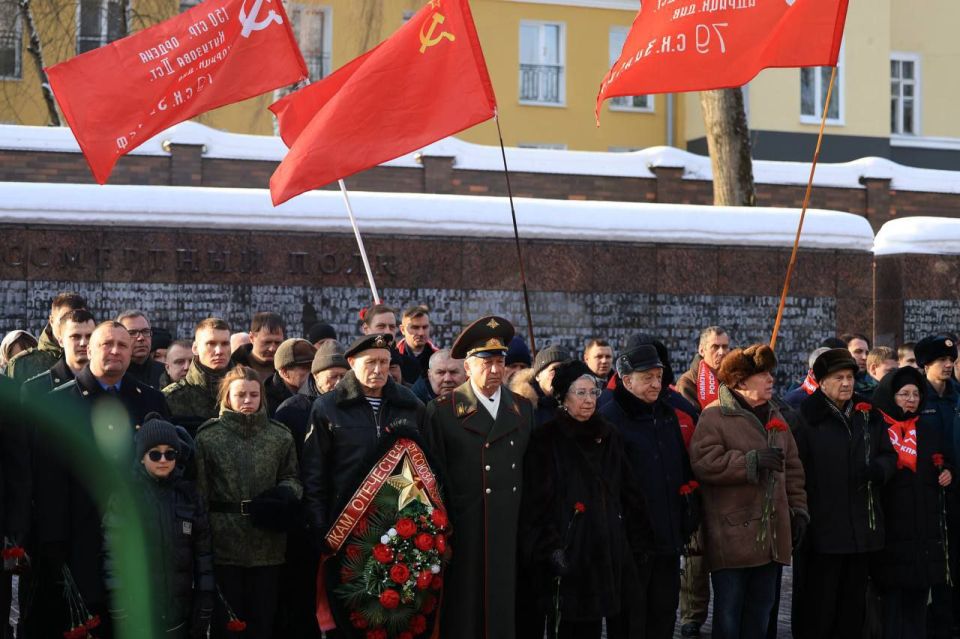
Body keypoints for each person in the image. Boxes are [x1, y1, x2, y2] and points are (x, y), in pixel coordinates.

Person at [26, 321, 171, 638]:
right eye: (107, 344)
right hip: (79, 539)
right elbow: (47, 482)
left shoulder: (151, 401)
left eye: (123, 345)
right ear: (89, 349)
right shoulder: (58, 403)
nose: (116, 351)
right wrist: (53, 545)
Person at [299, 333, 425, 635]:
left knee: (396, 611)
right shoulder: (327, 408)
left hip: (399, 526)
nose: (379, 369)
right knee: (351, 612)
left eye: (385, 362)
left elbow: (424, 468)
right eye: (371, 362)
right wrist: (318, 526)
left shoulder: (411, 406)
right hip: (347, 526)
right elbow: (314, 472)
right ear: (352, 363)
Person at [521, 360, 653, 638]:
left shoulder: (609, 435)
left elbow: (629, 491)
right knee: (568, 626)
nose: (589, 400)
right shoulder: (545, 439)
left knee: (603, 623)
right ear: (563, 398)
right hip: (568, 553)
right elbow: (536, 504)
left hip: (606, 549)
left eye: (593, 393)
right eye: (580, 393)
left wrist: (638, 541)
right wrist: (549, 548)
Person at [425, 316, 535, 639]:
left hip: (508, 529)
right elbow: (433, 479)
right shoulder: (444, 411)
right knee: (464, 614)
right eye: (485, 362)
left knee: (503, 611)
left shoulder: (521, 409)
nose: (495, 370)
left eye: (500, 361)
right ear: (468, 366)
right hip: (465, 531)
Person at [689, 344, 808, 639]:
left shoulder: (776, 415)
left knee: (761, 613)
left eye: (771, 374)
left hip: (771, 537)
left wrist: (798, 509)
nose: (771, 380)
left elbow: (792, 469)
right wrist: (750, 462)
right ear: (741, 381)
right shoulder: (714, 416)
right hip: (732, 536)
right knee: (729, 617)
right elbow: (705, 462)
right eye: (762, 375)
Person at [792, 348, 897, 639]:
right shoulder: (805, 418)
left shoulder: (868, 414)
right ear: (822, 382)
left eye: (850, 377)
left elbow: (889, 456)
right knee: (820, 607)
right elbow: (796, 470)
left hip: (862, 530)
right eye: (838, 377)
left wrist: (879, 469)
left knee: (853, 608)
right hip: (823, 531)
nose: (847, 383)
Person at [194, 365, 302, 639]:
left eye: (253, 395)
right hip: (223, 542)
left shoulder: (279, 435)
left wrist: (282, 496)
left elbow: (293, 477)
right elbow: (199, 492)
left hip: (268, 543)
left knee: (263, 621)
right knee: (227, 623)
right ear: (227, 396)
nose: (247, 401)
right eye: (240, 394)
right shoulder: (209, 436)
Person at [600, 344, 698, 638]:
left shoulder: (667, 415)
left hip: (667, 540)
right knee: (630, 621)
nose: (656, 384)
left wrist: (687, 512)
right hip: (631, 545)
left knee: (663, 616)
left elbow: (681, 471)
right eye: (648, 378)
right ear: (627, 380)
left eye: (659, 376)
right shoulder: (610, 420)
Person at [103, 415, 214, 638]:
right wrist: (119, 607)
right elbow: (113, 557)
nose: (163, 459)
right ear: (142, 458)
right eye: (155, 453)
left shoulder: (189, 497)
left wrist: (205, 602)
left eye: (170, 453)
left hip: (180, 611)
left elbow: (204, 555)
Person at [871, 366, 953, 639]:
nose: (911, 399)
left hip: (923, 533)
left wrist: (947, 471)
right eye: (904, 394)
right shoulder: (877, 428)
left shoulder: (927, 430)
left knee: (917, 607)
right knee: (892, 609)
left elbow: (945, 458)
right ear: (890, 396)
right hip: (891, 532)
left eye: (916, 394)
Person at [913, 335, 960, 639]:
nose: (947, 365)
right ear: (925, 365)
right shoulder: (919, 399)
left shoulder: (957, 396)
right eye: (941, 361)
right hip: (929, 490)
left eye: (951, 360)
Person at [274, 341, 348, 454]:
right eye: (332, 377)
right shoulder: (291, 410)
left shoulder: (361, 405)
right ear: (316, 376)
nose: (339, 382)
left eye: (343, 376)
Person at [164, 318, 233, 436]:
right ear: (195, 348)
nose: (219, 351)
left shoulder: (247, 392)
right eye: (211, 344)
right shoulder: (171, 397)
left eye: (225, 344)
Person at [6, 291, 86, 383]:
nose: (71, 325)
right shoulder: (22, 365)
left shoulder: (97, 360)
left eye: (80, 319)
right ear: (51, 320)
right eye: (64, 319)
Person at [20, 309, 95, 396]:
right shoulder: (34, 389)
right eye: (75, 336)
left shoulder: (110, 383)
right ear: (61, 341)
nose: (83, 343)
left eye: (89, 336)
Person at [510, 345, 571, 426]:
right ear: (538, 376)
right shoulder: (520, 407)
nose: (560, 375)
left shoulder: (577, 405)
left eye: (566, 370)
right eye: (553, 370)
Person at [677, 326, 731, 411]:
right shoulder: (687, 383)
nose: (721, 352)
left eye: (725, 347)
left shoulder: (734, 379)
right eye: (715, 347)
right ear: (702, 351)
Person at [263, 338, 316, 417]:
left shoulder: (320, 391)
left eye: (314, 366)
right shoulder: (265, 400)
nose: (313, 372)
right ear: (284, 372)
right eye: (305, 367)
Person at [117, 310, 167, 389]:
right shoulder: (113, 375)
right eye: (132, 333)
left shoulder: (166, 373)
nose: (141, 338)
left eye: (145, 331)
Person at [231, 312, 285, 382]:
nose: (272, 349)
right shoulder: (230, 368)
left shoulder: (290, 369)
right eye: (267, 342)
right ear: (252, 338)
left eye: (277, 343)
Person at [396, 304, 438, 383]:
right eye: (415, 327)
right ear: (402, 330)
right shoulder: (393, 357)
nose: (421, 333)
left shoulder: (438, 358)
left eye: (425, 327)